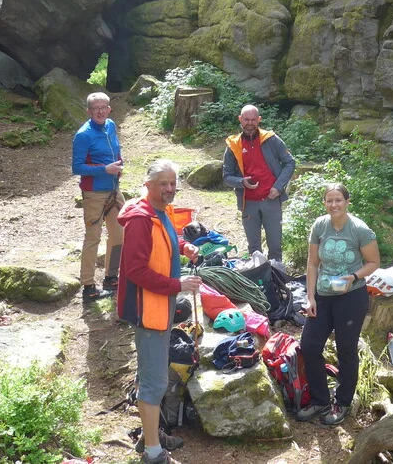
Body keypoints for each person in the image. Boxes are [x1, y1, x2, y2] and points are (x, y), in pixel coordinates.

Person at [117, 160, 203, 464]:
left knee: (150, 373)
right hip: (148, 309)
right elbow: (136, 270)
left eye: (172, 183)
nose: (169, 189)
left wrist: (183, 246)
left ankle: (148, 436)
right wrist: (177, 284)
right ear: (149, 185)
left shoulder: (160, 211)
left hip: (160, 306)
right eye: (163, 183)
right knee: (153, 381)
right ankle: (153, 453)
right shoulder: (140, 219)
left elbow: (166, 237)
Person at [296, 183, 380, 426]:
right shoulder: (320, 226)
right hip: (323, 295)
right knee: (310, 346)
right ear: (324, 203)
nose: (334, 205)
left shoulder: (360, 230)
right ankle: (320, 400)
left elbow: (374, 261)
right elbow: (312, 264)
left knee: (345, 348)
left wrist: (354, 276)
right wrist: (310, 297)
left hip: (351, 296)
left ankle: (342, 402)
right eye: (329, 200)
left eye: (338, 200)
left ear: (347, 202)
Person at [222, 104, 296, 261]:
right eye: (246, 119)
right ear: (240, 120)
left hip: (271, 199)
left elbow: (289, 162)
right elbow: (226, 176)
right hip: (248, 202)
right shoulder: (233, 145)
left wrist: (278, 186)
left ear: (259, 120)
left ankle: (277, 279)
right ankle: (258, 280)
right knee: (254, 249)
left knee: (275, 247)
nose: (250, 123)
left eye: (253, 120)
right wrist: (241, 182)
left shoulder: (271, 139)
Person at [72, 92, 124, 302]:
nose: (101, 111)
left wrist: (119, 164)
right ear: (89, 111)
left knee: (119, 235)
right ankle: (88, 287)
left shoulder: (111, 125)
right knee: (93, 238)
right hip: (93, 193)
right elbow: (77, 167)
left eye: (104, 107)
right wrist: (105, 169)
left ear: (109, 109)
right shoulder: (83, 135)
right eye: (96, 108)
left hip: (114, 190)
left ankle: (111, 277)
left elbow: (115, 151)